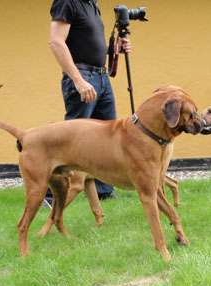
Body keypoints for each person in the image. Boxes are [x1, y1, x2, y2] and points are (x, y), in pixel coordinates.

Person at [46, 0, 131, 205]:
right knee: (70, 138)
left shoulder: (92, 4)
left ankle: (103, 191)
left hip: (101, 77)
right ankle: (50, 195)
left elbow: (89, 44)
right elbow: (56, 42)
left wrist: (114, 48)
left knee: (108, 136)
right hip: (82, 75)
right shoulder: (67, 2)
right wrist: (78, 80)